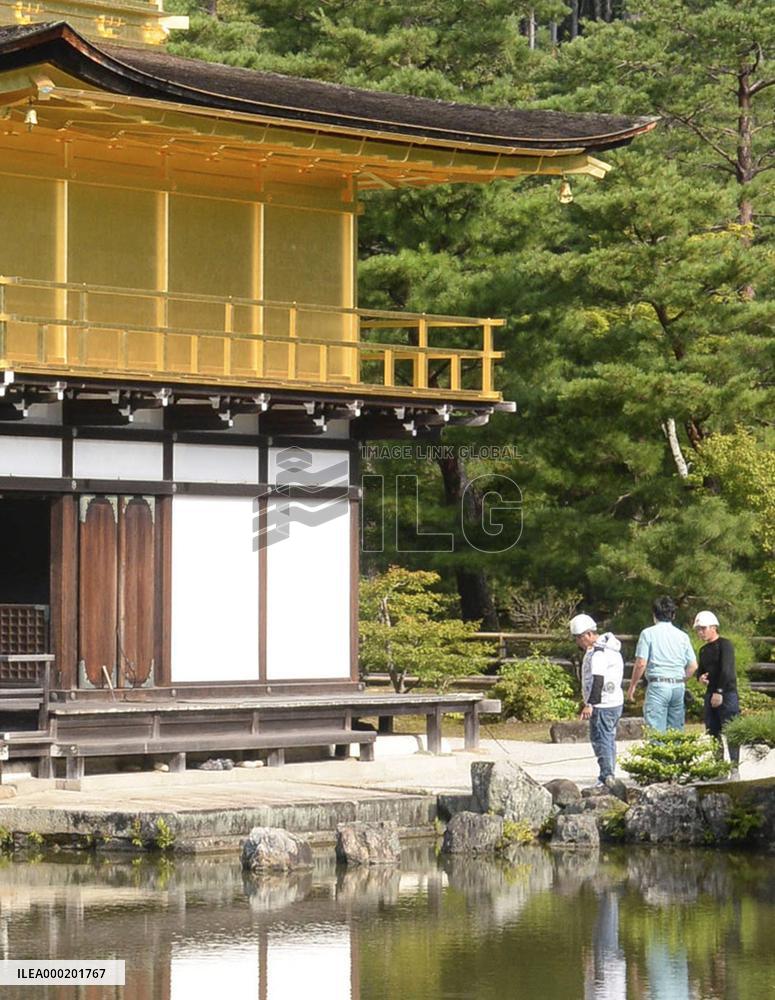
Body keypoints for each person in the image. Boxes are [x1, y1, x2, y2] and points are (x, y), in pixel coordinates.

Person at [627, 596, 697, 732]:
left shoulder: (648, 634)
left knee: (656, 731)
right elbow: (693, 665)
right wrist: (682, 679)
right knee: (676, 732)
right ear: (673, 615)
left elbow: (641, 663)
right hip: (678, 686)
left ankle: (659, 753)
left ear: (654, 615)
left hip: (658, 684)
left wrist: (633, 685)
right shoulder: (682, 636)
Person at [570, 613, 624, 788]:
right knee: (607, 738)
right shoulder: (611, 648)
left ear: (587, 635)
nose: (578, 643)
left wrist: (590, 704)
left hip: (603, 703)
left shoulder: (600, 652)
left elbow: (598, 680)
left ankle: (606, 776)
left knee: (602, 739)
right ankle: (608, 774)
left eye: (578, 638)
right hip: (614, 700)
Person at [694, 610, 740, 778]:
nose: (700, 632)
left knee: (731, 730)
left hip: (727, 693)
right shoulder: (703, 650)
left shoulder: (725, 644)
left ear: (714, 627)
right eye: (698, 629)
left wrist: (719, 691)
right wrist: (700, 677)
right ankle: (719, 768)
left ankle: (735, 767)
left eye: (703, 628)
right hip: (710, 693)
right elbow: (700, 671)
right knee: (713, 731)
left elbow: (727, 670)